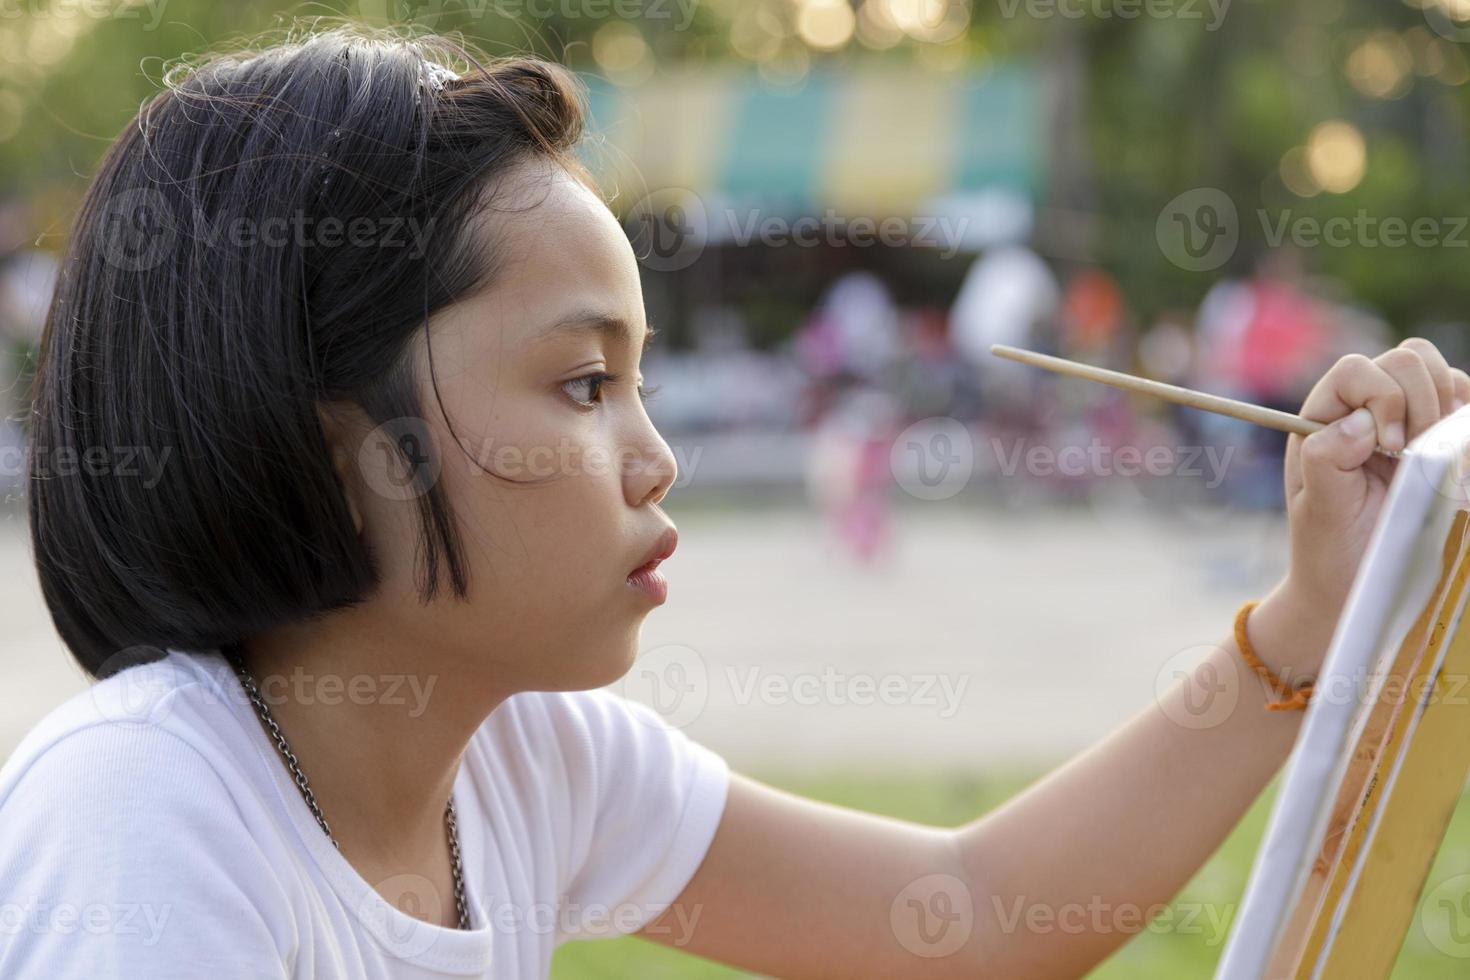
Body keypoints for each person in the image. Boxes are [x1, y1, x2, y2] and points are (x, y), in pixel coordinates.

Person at [2, 26, 1467, 980]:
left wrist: (1304, 617)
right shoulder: (151, 813)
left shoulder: (525, 767)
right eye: (583, 387)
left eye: (640, 385)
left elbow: (965, 916)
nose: (656, 456)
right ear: (343, 450)